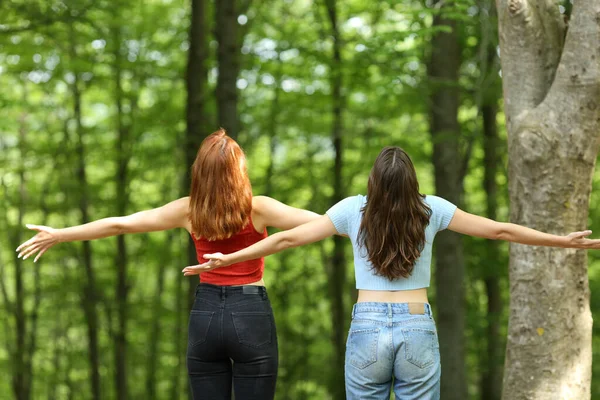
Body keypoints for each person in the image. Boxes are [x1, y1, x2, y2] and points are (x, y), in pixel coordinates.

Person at [182, 146, 600, 400]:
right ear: (411, 181)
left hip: (367, 327)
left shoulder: (351, 211)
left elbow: (286, 240)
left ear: (374, 181)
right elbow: (499, 230)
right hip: (417, 325)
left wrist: (228, 259)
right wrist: (562, 241)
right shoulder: (432, 209)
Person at [15, 129, 320, 400]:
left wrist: (59, 234)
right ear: (239, 172)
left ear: (199, 172)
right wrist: (363, 217)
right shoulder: (259, 208)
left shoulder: (187, 211)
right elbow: (324, 223)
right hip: (251, 312)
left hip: (206, 314)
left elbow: (120, 225)